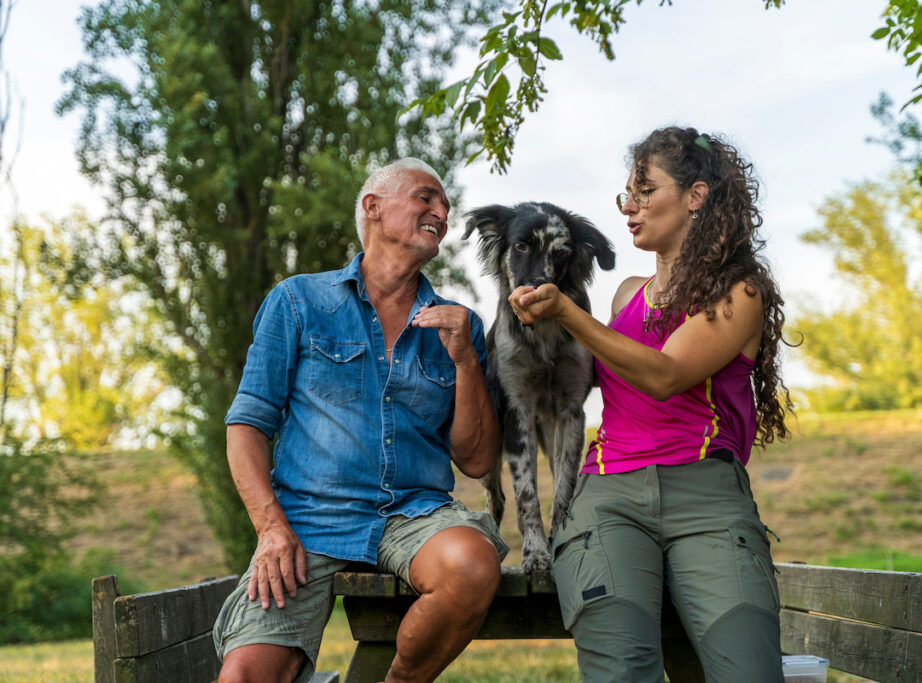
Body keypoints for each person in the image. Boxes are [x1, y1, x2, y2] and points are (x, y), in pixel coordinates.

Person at [509, 126, 793, 682]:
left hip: (706, 499)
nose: (629, 207)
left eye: (645, 191)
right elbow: (564, 388)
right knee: (621, 671)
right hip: (608, 497)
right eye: (627, 195)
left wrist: (566, 312)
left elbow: (664, 375)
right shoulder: (625, 296)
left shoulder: (740, 293)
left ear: (696, 196)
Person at [213, 157, 509, 683]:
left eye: (445, 205)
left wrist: (466, 360)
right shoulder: (298, 302)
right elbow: (247, 426)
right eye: (425, 198)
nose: (442, 213)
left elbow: (478, 459)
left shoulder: (459, 325)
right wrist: (271, 528)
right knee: (244, 677)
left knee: (470, 564)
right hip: (307, 520)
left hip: (416, 515)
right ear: (373, 207)